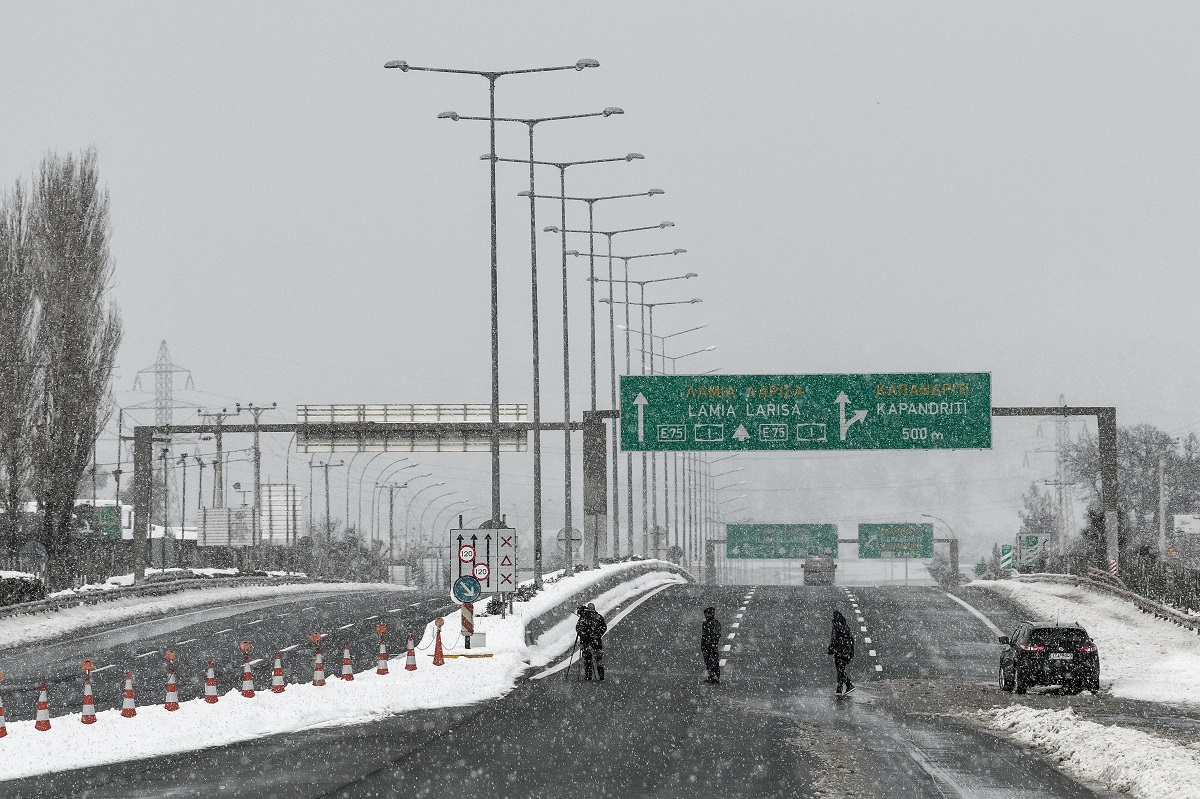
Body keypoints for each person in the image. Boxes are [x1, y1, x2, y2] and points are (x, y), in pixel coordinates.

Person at [575, 602, 608, 681]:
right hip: (587, 641)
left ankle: (600, 675)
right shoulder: (584, 617)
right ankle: (589, 675)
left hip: (595, 641)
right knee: (587, 659)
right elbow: (578, 628)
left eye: (591, 608)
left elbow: (604, 627)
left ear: (594, 609)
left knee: (598, 658)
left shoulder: (598, 617)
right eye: (589, 608)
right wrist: (584, 634)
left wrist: (597, 634)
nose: (590, 610)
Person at [828, 610, 855, 695]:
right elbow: (850, 639)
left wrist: (831, 648)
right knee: (841, 669)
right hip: (846, 651)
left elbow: (835, 639)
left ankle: (849, 685)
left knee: (840, 670)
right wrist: (850, 652)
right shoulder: (845, 626)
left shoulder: (836, 625)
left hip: (840, 651)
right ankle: (839, 690)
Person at [701, 606, 721, 684]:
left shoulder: (712, 623)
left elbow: (716, 635)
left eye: (706, 614)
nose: (705, 616)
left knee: (712, 661)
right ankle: (713, 676)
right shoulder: (707, 623)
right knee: (710, 661)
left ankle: (714, 676)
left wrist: (710, 642)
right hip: (709, 645)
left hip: (710, 645)